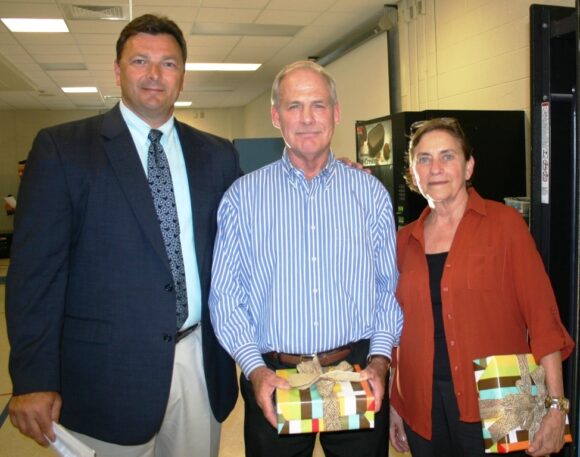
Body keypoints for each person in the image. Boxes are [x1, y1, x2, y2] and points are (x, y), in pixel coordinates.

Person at [6, 14, 239, 457]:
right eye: (140, 61)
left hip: (198, 361)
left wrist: (325, 171)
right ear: (117, 71)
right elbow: (35, 276)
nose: (154, 74)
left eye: (168, 64)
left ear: (182, 76)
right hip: (104, 373)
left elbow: (259, 222)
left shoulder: (217, 155)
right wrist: (33, 379)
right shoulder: (63, 149)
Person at [209, 60, 403, 457]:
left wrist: (381, 361)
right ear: (276, 116)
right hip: (275, 376)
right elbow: (225, 298)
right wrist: (255, 369)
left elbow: (389, 288)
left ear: (336, 112)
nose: (308, 118)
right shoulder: (243, 199)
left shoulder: (369, 195)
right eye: (294, 106)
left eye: (318, 105)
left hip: (355, 371)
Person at [388, 117, 575, 457]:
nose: (436, 168)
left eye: (448, 156)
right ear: (413, 173)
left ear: (469, 165)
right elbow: (398, 331)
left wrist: (555, 407)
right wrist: (396, 405)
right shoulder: (403, 242)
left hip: (501, 400)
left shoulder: (505, 226)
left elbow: (543, 319)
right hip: (422, 404)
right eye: (424, 159)